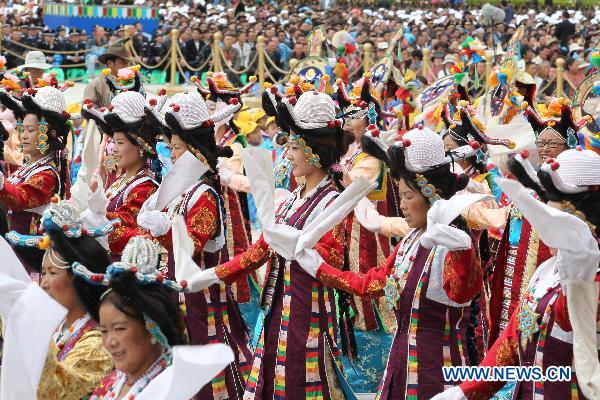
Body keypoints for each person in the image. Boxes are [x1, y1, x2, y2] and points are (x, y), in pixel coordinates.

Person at [173, 87, 368, 399]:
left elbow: (332, 259)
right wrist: (206, 278)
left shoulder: (333, 201)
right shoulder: (291, 200)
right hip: (277, 308)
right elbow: (256, 254)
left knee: (300, 380)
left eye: (294, 147)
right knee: (273, 379)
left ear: (314, 151)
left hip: (309, 310)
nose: (287, 155)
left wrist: (303, 249)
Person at [432, 149, 600, 400]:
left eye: (550, 215)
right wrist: (465, 392)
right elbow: (511, 344)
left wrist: (578, 276)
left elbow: (570, 319)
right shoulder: (546, 271)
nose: (541, 224)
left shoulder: (591, 278)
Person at [137, 90, 253, 399]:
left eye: (177, 148)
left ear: (195, 152)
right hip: (182, 289)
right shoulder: (185, 192)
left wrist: (163, 228)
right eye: (171, 147)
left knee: (201, 349)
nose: (171, 155)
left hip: (200, 293)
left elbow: (192, 244)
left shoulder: (204, 194)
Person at [71, 236, 230, 399]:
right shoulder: (114, 381)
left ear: (152, 328)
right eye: (104, 331)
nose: (110, 342)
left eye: (119, 329)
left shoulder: (169, 390)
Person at [5, 200, 116, 399]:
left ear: (77, 279)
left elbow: (56, 391)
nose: (44, 283)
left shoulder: (98, 343)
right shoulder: (61, 327)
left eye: (52, 273)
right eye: (43, 273)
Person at [336, 75, 393, 392]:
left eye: (354, 115)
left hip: (366, 238)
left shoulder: (370, 158)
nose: (348, 120)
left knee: (368, 296)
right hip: (348, 232)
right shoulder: (354, 152)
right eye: (347, 114)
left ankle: (373, 369)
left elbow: (353, 188)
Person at [81, 86, 162, 260]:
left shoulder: (145, 186)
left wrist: (91, 218)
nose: (114, 149)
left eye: (120, 143)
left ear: (140, 146)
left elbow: (127, 225)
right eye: (113, 142)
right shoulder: (121, 180)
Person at [0, 83, 71, 276]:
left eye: (31, 130)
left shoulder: (47, 174)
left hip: (28, 258)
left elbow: (20, 198)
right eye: (22, 129)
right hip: (12, 251)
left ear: (48, 134)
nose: (23, 135)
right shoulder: (28, 169)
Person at [83, 40, 132, 108]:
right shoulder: (97, 83)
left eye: (127, 63)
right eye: (122, 62)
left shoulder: (131, 82)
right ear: (110, 63)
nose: (126, 66)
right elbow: (87, 109)